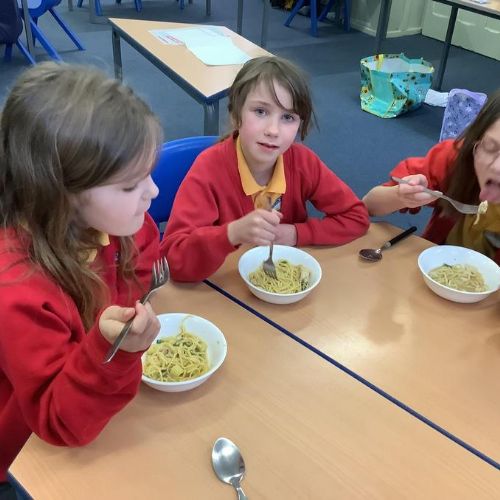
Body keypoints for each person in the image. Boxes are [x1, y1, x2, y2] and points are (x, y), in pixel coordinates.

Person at [0, 62, 163, 494]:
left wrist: (127, 320)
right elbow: (57, 423)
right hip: (27, 449)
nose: (154, 192)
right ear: (63, 195)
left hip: (100, 401)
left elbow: (144, 262)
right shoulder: (17, 291)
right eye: (131, 186)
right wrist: (116, 350)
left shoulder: (122, 224)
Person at [161, 56, 369, 282]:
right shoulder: (209, 169)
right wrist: (232, 233)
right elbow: (174, 259)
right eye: (260, 111)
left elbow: (356, 217)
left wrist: (295, 234)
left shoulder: (302, 162)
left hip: (281, 291)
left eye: (288, 117)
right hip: (223, 288)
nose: (273, 130)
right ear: (235, 114)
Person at [363, 90, 500, 264]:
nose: (496, 167)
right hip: (435, 272)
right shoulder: (456, 159)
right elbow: (369, 205)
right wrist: (401, 196)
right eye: (490, 146)